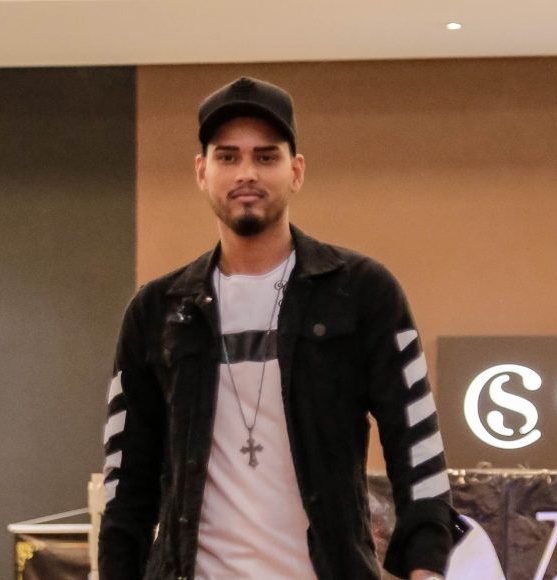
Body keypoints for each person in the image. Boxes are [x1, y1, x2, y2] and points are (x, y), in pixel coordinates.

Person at [99, 76, 464, 580]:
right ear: (202, 171)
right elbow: (127, 482)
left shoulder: (362, 291)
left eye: (266, 156)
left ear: (296, 171)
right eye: (228, 157)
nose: (246, 173)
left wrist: (426, 566)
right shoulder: (155, 311)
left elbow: (415, 442)